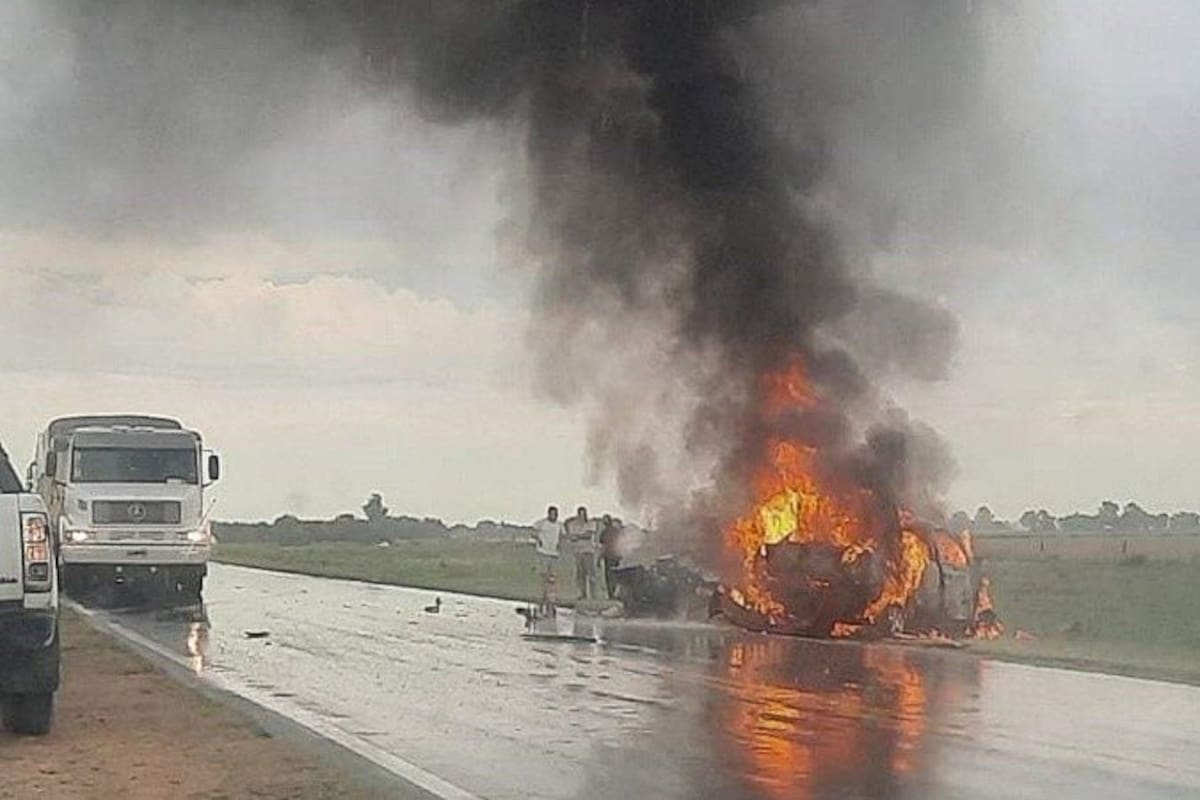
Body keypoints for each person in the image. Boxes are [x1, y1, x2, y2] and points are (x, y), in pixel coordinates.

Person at [532, 505, 563, 615]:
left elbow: (562, 536)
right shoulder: (542, 523)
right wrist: (539, 539)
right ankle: (541, 600)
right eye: (552, 514)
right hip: (543, 553)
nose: (553, 516)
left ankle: (551, 602)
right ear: (548, 514)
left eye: (555, 514)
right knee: (543, 577)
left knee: (552, 579)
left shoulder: (559, 524)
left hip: (554, 554)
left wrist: (560, 544)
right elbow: (533, 531)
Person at [564, 505, 597, 601]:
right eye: (580, 514)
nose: (582, 516)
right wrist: (578, 536)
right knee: (580, 574)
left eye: (584, 514)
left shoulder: (591, 523)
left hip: (588, 551)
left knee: (591, 574)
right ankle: (583, 594)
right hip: (578, 552)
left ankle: (593, 595)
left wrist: (577, 536)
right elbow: (571, 537)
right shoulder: (572, 524)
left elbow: (588, 535)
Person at [599, 514, 623, 600]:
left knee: (610, 576)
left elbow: (603, 546)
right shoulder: (610, 531)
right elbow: (603, 546)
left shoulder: (607, 532)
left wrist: (599, 557)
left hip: (612, 556)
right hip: (611, 556)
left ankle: (613, 594)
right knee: (613, 576)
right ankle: (612, 594)